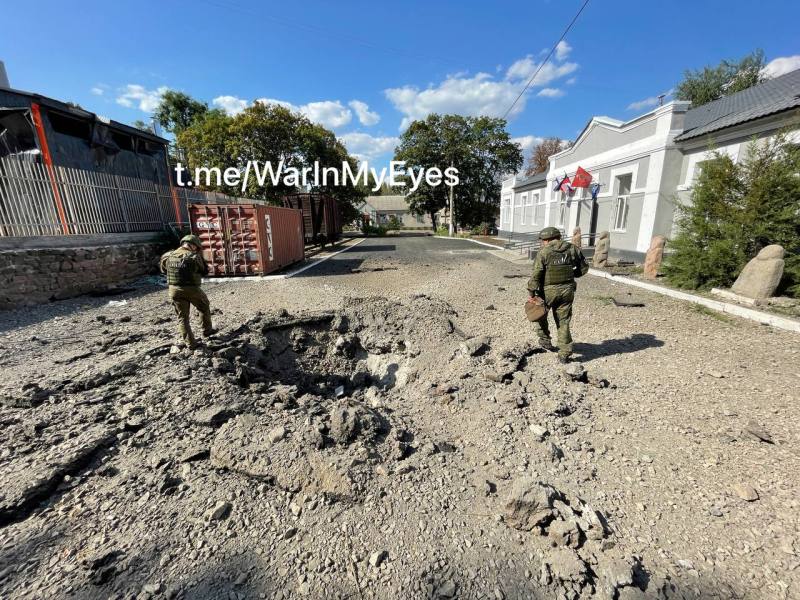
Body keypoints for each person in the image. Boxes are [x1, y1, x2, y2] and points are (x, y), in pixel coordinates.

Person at [526, 227, 589, 363]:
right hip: (567, 290)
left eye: (543, 240)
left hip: (547, 291)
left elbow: (536, 275)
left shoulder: (544, 252)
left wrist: (531, 292)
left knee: (540, 314)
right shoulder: (572, 249)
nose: (542, 243)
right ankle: (564, 353)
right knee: (563, 321)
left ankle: (545, 340)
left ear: (547, 240)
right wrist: (572, 274)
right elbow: (584, 268)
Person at [160, 234, 214, 348]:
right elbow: (204, 270)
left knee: (182, 318)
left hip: (174, 290)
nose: (196, 250)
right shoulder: (193, 256)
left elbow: (164, 270)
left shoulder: (168, 255)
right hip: (191, 289)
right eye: (196, 248)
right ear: (193, 246)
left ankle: (190, 343)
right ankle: (207, 331)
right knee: (204, 306)